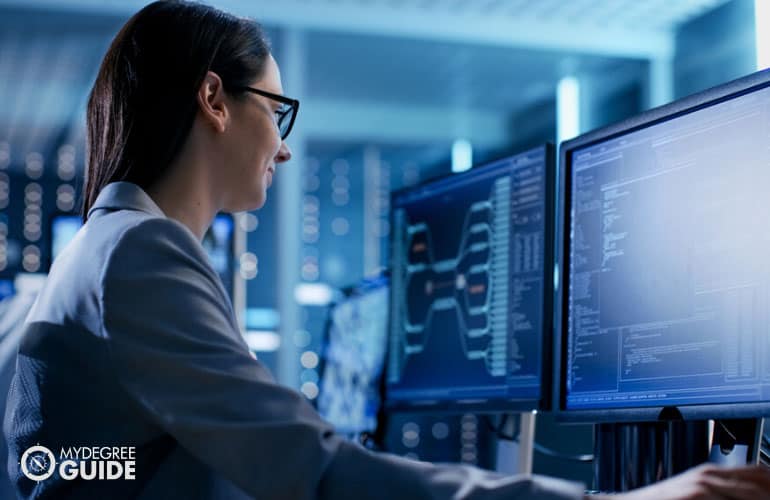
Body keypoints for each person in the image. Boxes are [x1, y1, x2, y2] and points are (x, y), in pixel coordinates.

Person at [3, 1, 770, 499]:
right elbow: (317, 472)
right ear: (214, 100)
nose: (285, 148)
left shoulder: (112, 249)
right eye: (278, 110)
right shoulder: (139, 257)